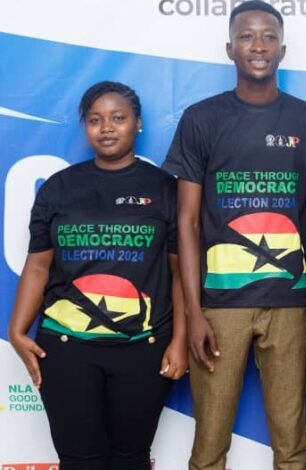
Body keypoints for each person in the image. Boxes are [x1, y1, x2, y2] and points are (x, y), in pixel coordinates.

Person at [161, 1, 306, 469]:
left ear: (282, 48)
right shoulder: (202, 119)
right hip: (219, 308)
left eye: (267, 36)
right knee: (210, 444)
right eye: (246, 36)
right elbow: (188, 222)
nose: (258, 45)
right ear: (229, 48)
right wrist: (195, 312)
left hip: (290, 303)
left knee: (292, 444)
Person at [7, 81, 186, 470]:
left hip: (144, 346)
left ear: (137, 124)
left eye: (117, 118)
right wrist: (18, 332)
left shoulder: (166, 190)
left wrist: (181, 341)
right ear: (85, 127)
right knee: (80, 460)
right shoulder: (59, 188)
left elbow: (179, 274)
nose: (106, 127)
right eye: (95, 119)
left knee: (130, 459)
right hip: (67, 348)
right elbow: (38, 265)